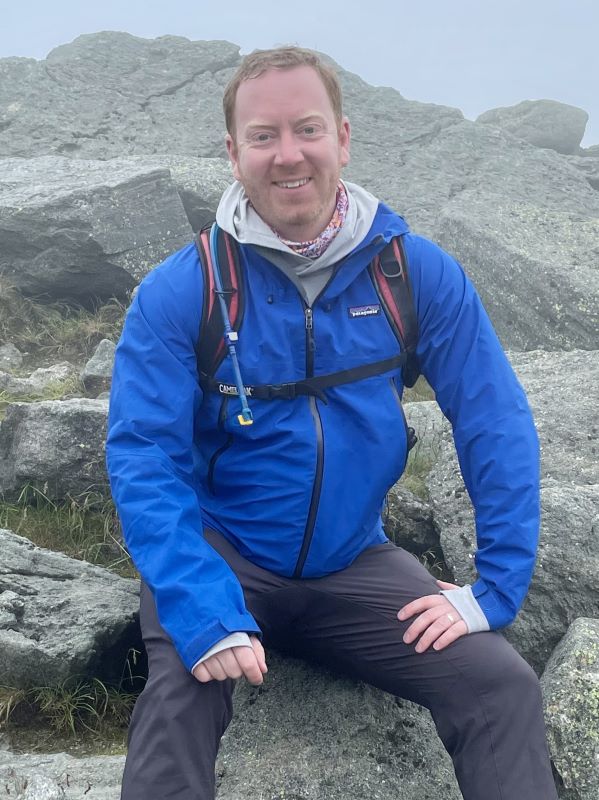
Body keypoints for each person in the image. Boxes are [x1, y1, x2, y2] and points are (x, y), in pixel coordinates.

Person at [106, 46, 558, 800]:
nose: (289, 155)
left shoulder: (413, 274)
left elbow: (494, 420)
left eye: (307, 130)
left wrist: (495, 587)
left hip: (354, 563)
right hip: (224, 555)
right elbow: (143, 457)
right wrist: (198, 604)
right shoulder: (183, 289)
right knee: (180, 700)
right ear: (233, 152)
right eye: (263, 136)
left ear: (343, 138)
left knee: (500, 689)